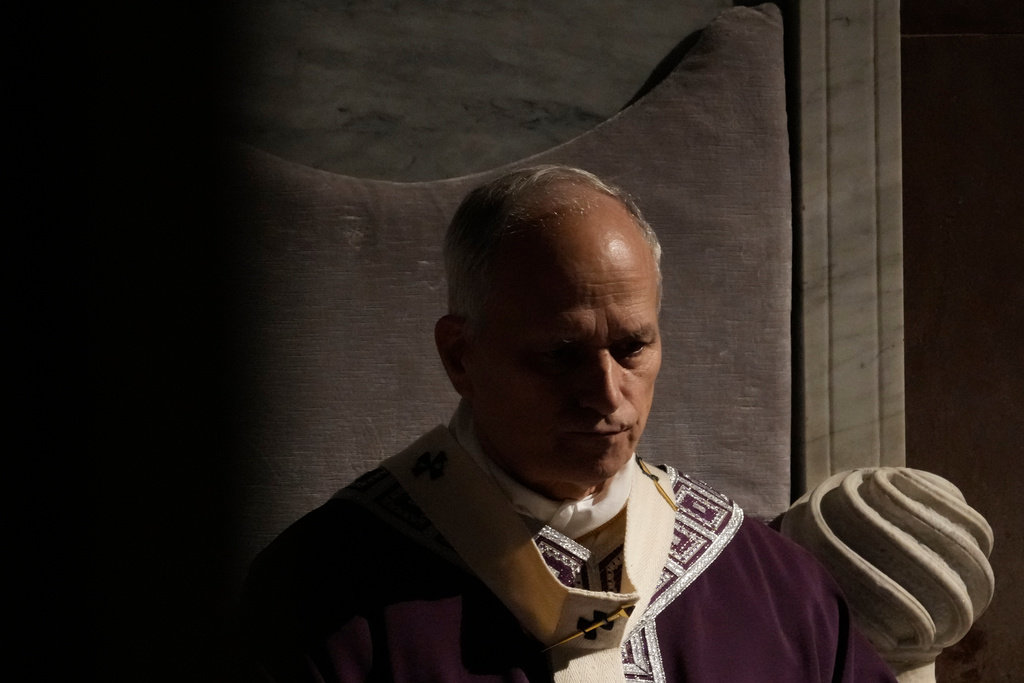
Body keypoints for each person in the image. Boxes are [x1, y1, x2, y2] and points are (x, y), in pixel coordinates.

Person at [241, 166, 896, 682]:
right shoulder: (321, 596)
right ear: (460, 356)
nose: (607, 392)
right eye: (562, 353)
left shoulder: (771, 587)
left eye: (633, 346)